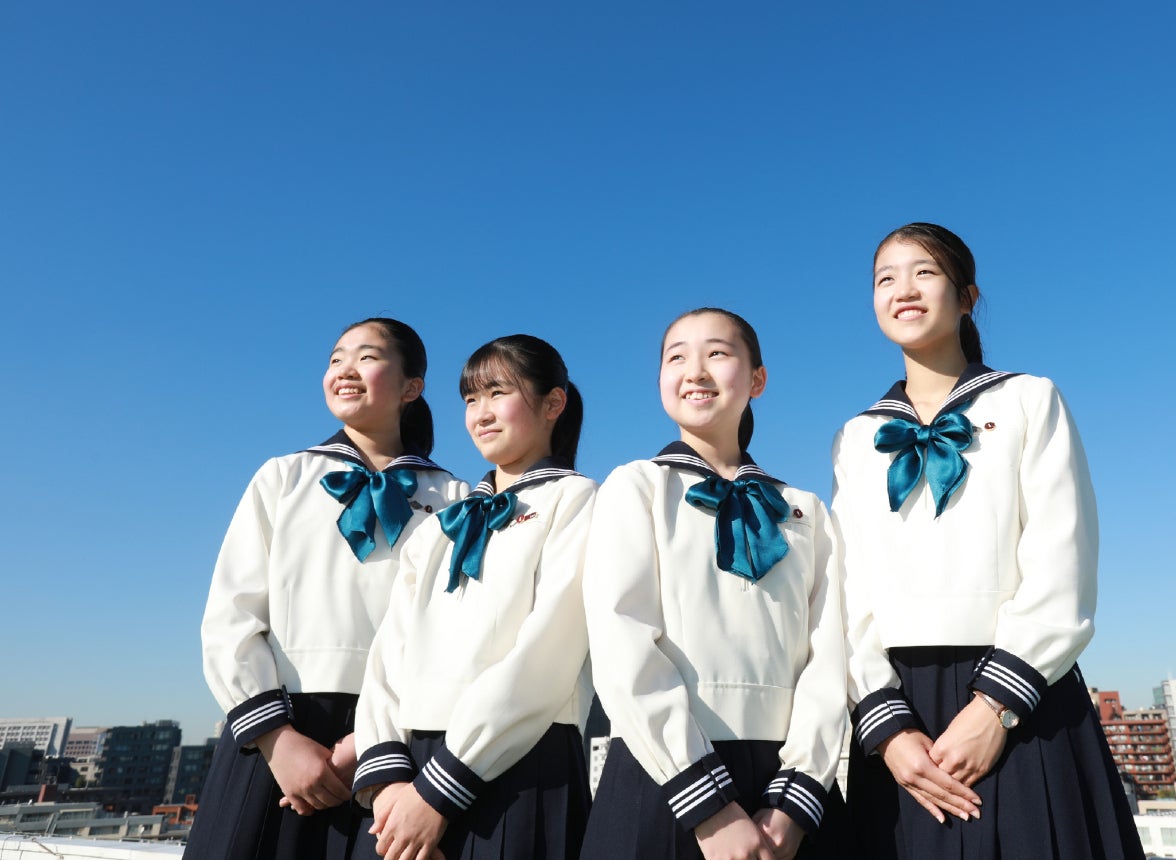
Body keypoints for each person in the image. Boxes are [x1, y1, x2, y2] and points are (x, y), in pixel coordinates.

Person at [832, 223, 1143, 858]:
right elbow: (844, 589)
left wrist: (995, 708)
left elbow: (1064, 557)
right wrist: (886, 728)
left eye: (924, 272)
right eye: (885, 278)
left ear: (967, 295)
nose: (903, 289)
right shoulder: (856, 436)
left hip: (1025, 694)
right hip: (900, 713)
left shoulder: (1030, 399)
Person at [190, 318, 469, 860]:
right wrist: (277, 740)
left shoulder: (456, 497)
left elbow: (455, 631)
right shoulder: (282, 477)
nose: (344, 369)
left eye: (367, 357)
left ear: (412, 387)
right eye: (336, 357)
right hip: (277, 733)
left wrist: (372, 740)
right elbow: (230, 617)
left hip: (397, 747)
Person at [581, 308, 848, 860]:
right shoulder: (635, 487)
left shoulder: (807, 509)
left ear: (757, 379)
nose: (695, 371)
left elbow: (831, 656)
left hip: (788, 790)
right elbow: (621, 642)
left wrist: (794, 803)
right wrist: (708, 806)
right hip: (662, 778)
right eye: (676, 357)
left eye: (717, 354)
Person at [351, 334, 595, 860]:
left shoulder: (578, 500)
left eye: (498, 392)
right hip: (411, 776)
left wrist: (438, 793)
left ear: (554, 403)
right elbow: (386, 657)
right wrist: (391, 786)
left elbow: (547, 654)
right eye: (469, 399)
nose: (481, 413)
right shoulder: (439, 524)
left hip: (524, 763)